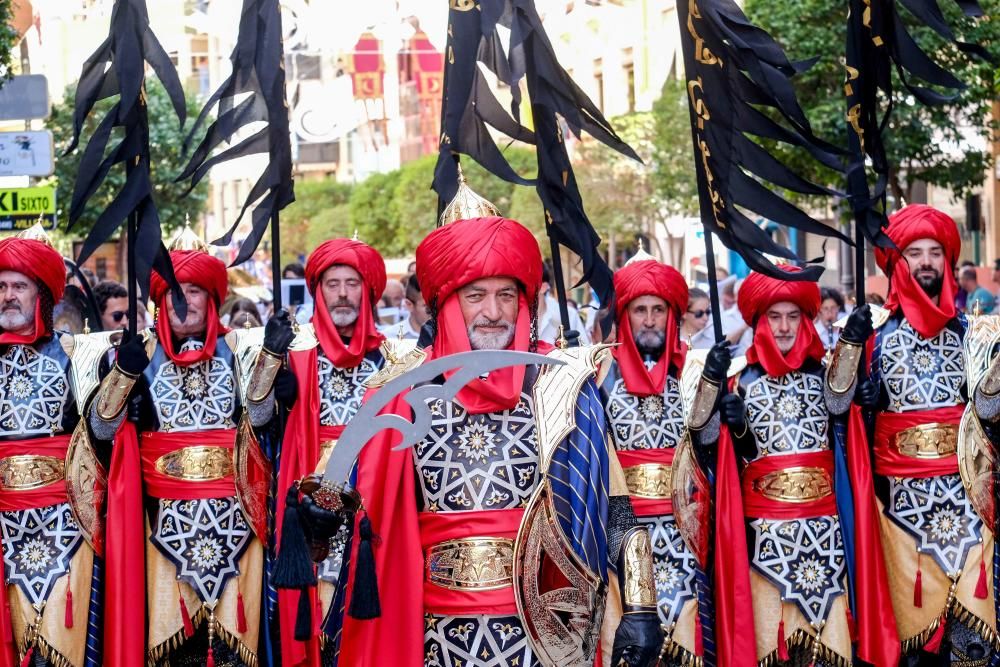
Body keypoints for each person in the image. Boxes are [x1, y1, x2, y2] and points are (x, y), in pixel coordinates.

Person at [289, 214, 663, 666]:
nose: (493, 311)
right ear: (447, 303)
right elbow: (360, 513)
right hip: (433, 633)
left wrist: (642, 605)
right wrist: (317, 519)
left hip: (548, 635)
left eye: (506, 295)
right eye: (476, 296)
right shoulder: (402, 392)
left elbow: (617, 510)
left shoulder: (564, 384)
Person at [89, 229, 296, 666]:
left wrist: (273, 358)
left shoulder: (241, 351)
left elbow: (259, 421)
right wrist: (124, 375)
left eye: (195, 291)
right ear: (159, 301)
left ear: (212, 298)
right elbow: (100, 430)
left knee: (235, 654)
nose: (184, 302)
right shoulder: (136, 354)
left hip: (237, 531)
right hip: (162, 532)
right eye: (174, 293)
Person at [702, 268, 898, 667]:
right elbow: (714, 448)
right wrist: (731, 419)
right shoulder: (739, 380)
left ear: (806, 321)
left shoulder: (823, 375)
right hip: (765, 544)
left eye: (794, 316)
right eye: (775, 316)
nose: (785, 326)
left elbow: (841, 403)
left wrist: (852, 341)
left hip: (824, 538)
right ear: (758, 322)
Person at [829, 204, 998, 664]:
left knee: (972, 649)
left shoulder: (974, 333)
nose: (925, 261)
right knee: (912, 653)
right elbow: (835, 408)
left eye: (934, 252)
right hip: (899, 520)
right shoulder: (873, 337)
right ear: (895, 264)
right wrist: (852, 354)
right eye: (913, 253)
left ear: (947, 262)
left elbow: (992, 414)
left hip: (969, 514)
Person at [274, 237, 388, 666]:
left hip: (372, 513)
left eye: (352, 283)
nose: (342, 293)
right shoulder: (296, 354)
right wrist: (272, 378)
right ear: (318, 293)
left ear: (369, 290)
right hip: (311, 515)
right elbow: (259, 428)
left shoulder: (394, 358)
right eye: (332, 284)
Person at [0, 228, 103, 667]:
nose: (7, 296)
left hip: (65, 525)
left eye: (18, 286)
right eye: (1, 286)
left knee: (61, 650)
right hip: (3, 528)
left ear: (41, 294)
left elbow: (101, 429)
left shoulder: (74, 354)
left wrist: (124, 381)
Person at [602, 250, 704, 661]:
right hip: (623, 539)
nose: (648, 320)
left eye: (657, 310)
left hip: (685, 540)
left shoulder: (694, 372)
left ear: (672, 314)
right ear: (624, 316)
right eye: (639, 310)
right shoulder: (599, 376)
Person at [536, 262, 591, 345]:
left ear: (543, 287)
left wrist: (576, 350)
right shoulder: (513, 316)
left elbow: (586, 351)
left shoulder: (569, 315)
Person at [378, 273, 429, 341]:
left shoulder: (445, 335)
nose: (435, 311)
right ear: (409, 305)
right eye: (427, 306)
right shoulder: (389, 337)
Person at [817, 286, 846, 351]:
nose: (829, 312)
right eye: (825, 308)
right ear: (819, 310)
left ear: (838, 308)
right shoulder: (815, 333)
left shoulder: (846, 331)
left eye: (833, 308)